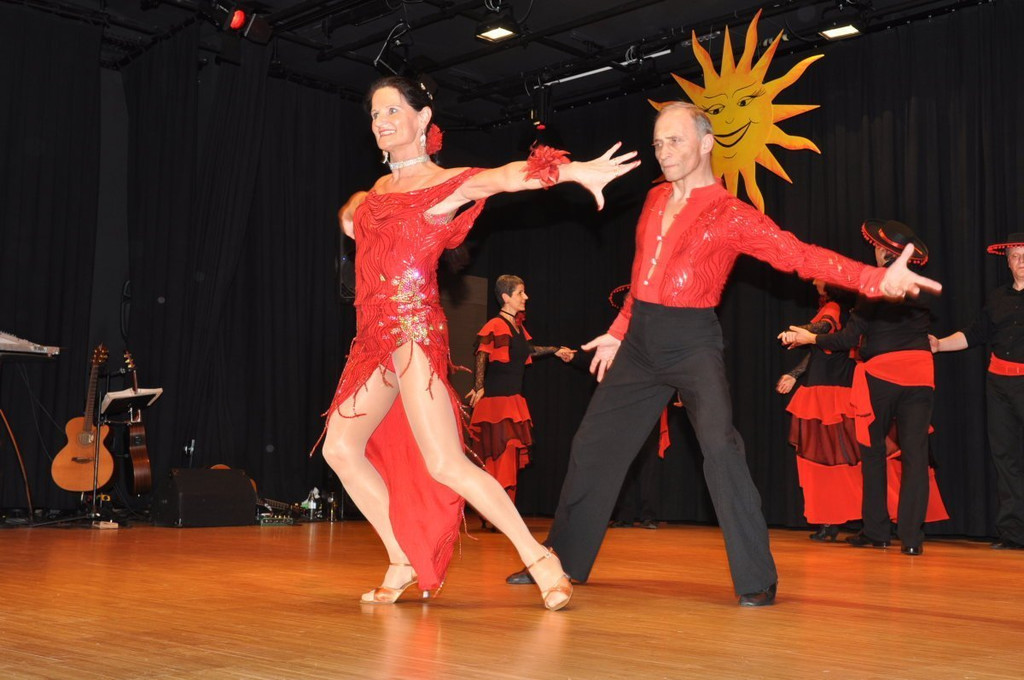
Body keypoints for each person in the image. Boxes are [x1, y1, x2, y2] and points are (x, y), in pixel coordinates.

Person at [506, 103, 941, 606]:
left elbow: (797, 255)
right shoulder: (654, 198)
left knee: (720, 448)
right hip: (641, 338)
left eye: (675, 140)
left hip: (691, 339)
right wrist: (619, 330)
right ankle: (560, 560)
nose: (664, 152)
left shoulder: (731, 214)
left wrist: (874, 279)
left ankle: (756, 578)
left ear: (707, 142)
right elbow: (643, 271)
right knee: (593, 445)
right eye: (658, 143)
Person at [320, 75, 640, 611]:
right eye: (375, 114)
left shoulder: (444, 184)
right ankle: (402, 557)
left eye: (393, 111)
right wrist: (353, 205)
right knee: (339, 448)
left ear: (423, 119)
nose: (381, 122)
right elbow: (353, 216)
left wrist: (572, 171)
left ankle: (541, 559)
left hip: (413, 332)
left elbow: (507, 177)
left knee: (445, 462)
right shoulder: (376, 191)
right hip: (371, 337)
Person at [780, 220, 940, 556]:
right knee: (915, 455)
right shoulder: (920, 287)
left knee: (873, 454)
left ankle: (877, 531)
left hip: (882, 377)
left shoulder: (876, 286)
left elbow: (848, 338)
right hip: (920, 375)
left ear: (883, 251)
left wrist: (811, 338)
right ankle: (912, 540)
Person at [930, 233, 1024, 550]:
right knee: (1005, 458)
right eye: (1015, 256)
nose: (1021, 261)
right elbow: (974, 333)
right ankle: (1014, 534)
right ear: (1007, 262)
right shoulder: (997, 298)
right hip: (999, 385)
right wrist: (939, 345)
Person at [466, 275, 574, 515]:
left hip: (512, 401)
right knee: (500, 457)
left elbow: (529, 350)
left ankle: (502, 511)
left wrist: (556, 350)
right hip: (497, 404)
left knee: (509, 458)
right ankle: (494, 511)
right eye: (520, 293)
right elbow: (482, 354)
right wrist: (479, 385)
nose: (525, 297)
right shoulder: (495, 325)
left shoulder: (517, 326)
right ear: (506, 297)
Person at [775, 281, 860, 542]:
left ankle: (833, 519)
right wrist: (794, 373)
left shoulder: (833, 307)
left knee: (824, 459)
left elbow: (822, 329)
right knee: (841, 458)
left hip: (827, 395)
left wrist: (797, 332)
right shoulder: (848, 310)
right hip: (835, 389)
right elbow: (820, 347)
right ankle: (834, 518)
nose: (813, 281)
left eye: (818, 277)